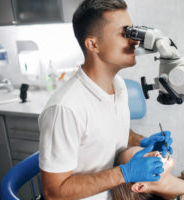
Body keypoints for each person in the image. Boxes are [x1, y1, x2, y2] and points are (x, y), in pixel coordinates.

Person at [38, 0, 173, 199]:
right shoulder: (65, 108)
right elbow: (54, 192)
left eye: (132, 32)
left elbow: (110, 130)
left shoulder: (118, 86)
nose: (134, 41)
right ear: (93, 44)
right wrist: (124, 173)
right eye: (124, 33)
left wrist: (143, 141)